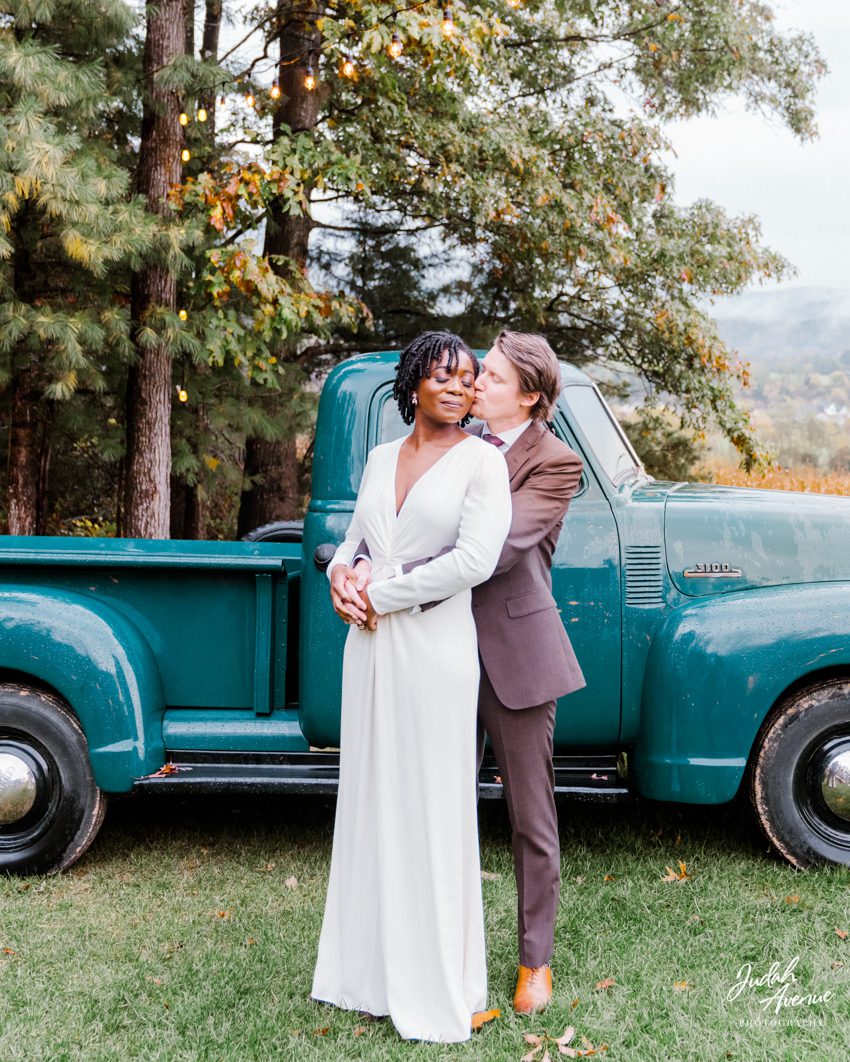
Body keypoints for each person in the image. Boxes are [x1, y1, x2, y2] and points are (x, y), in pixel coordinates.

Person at [334, 330, 585, 1015]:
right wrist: (352, 565)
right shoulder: (446, 436)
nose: (476, 386)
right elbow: (387, 518)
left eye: (493, 378)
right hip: (423, 648)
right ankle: (422, 955)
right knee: (428, 803)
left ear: (530, 397)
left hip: (508, 649)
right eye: (477, 376)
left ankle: (535, 961)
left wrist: (381, 580)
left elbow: (497, 551)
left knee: (530, 813)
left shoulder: (555, 462)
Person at [311, 331, 512, 1043]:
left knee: (430, 804)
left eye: (468, 379)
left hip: (433, 650)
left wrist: (385, 593)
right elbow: (361, 539)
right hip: (366, 648)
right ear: (414, 383)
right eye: (443, 376)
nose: (457, 389)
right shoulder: (378, 458)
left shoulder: (482, 464)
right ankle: (368, 976)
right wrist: (343, 578)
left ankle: (437, 984)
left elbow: (475, 561)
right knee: (371, 798)